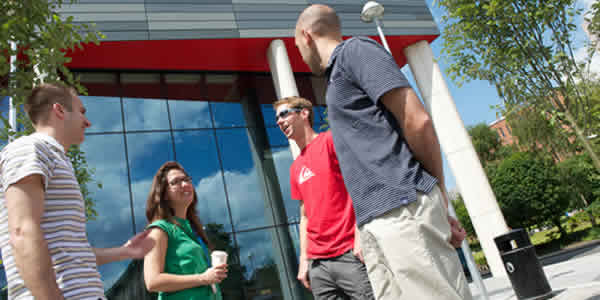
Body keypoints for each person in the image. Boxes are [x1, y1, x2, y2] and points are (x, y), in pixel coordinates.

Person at [294, 5, 472, 300]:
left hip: (401, 208)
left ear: (307, 35)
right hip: (375, 222)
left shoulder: (355, 51)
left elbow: (417, 119)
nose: (299, 52)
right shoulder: (335, 82)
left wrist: (437, 192)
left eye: (297, 45)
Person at [0, 82, 154, 300]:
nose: (88, 122)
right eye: (82, 112)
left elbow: (70, 254)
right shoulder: (29, 149)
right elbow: (21, 232)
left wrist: (125, 252)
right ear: (59, 110)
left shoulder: (53, 157)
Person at [274, 96, 374, 299]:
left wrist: (360, 234)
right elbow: (304, 217)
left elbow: (361, 184)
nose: (279, 121)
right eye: (277, 118)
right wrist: (304, 259)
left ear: (304, 113)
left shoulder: (330, 141)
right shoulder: (295, 168)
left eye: (284, 114)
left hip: (350, 254)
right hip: (318, 265)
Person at [144, 161, 228, 300]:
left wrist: (213, 275)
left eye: (186, 179)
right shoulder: (159, 230)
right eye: (176, 182)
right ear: (164, 194)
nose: (185, 184)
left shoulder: (193, 230)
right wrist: (203, 278)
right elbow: (152, 282)